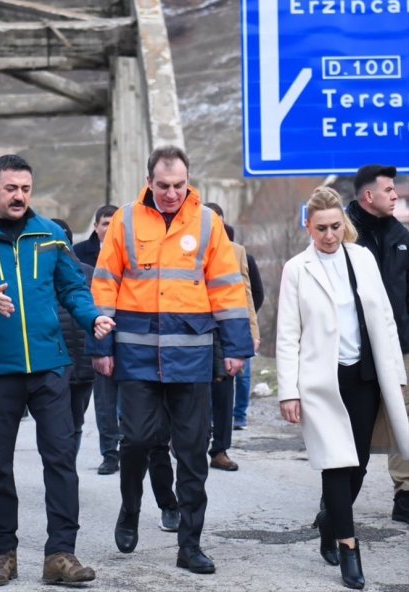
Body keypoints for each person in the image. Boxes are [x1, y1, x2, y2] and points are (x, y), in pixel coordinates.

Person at [0, 154, 115, 587]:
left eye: (25, 189)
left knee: (60, 460)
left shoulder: (50, 235)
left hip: (50, 366)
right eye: (11, 188)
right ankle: (3, 555)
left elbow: (72, 286)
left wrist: (92, 317)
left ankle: (60, 555)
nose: (19, 196)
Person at [88, 145, 253, 573]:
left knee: (193, 452)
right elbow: (104, 285)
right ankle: (130, 510)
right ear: (149, 182)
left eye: (180, 184)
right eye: (163, 185)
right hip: (137, 356)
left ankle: (189, 545)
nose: (172, 192)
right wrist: (102, 348)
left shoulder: (207, 222)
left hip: (192, 357)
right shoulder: (124, 220)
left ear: (188, 180)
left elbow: (227, 288)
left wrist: (236, 348)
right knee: (139, 441)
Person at [277, 186, 409, 590]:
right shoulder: (297, 269)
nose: (330, 235)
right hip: (321, 381)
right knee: (335, 462)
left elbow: (384, 317)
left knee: (358, 465)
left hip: (366, 376)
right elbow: (287, 334)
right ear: (308, 226)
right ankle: (349, 547)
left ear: (344, 224)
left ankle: (329, 519)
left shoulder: (362, 258)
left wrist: (397, 377)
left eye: (336, 226)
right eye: (321, 229)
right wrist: (288, 390)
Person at [346, 165, 409, 525]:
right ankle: (338, 498)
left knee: (405, 418)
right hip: (355, 350)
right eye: (389, 190)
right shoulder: (342, 237)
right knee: (355, 424)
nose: (395, 194)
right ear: (369, 195)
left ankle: (405, 495)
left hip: (400, 346)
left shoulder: (401, 236)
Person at [204, 203, 260, 471]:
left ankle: (220, 450)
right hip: (195, 331)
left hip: (225, 332)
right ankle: (190, 442)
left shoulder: (236, 252)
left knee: (225, 393)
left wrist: (251, 332)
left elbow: (247, 294)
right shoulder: (187, 248)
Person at [74, 204, 121, 475]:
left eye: (115, 222)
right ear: (96, 226)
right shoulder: (81, 255)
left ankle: (130, 446)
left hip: (126, 333)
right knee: (104, 401)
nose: (110, 227)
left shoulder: (132, 252)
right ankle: (110, 453)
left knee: (131, 399)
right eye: (105, 223)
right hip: (96, 333)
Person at [51, 218, 96, 456]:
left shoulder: (89, 274)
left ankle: (67, 468)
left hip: (82, 363)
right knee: (54, 425)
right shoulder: (38, 275)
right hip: (52, 362)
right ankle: (60, 470)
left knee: (75, 422)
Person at [234, 251, 264, 430]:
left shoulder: (244, 256)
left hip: (242, 320)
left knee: (242, 374)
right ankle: (239, 416)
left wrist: (249, 316)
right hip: (243, 319)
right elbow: (258, 292)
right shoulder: (243, 255)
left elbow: (257, 292)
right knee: (242, 374)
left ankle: (238, 415)